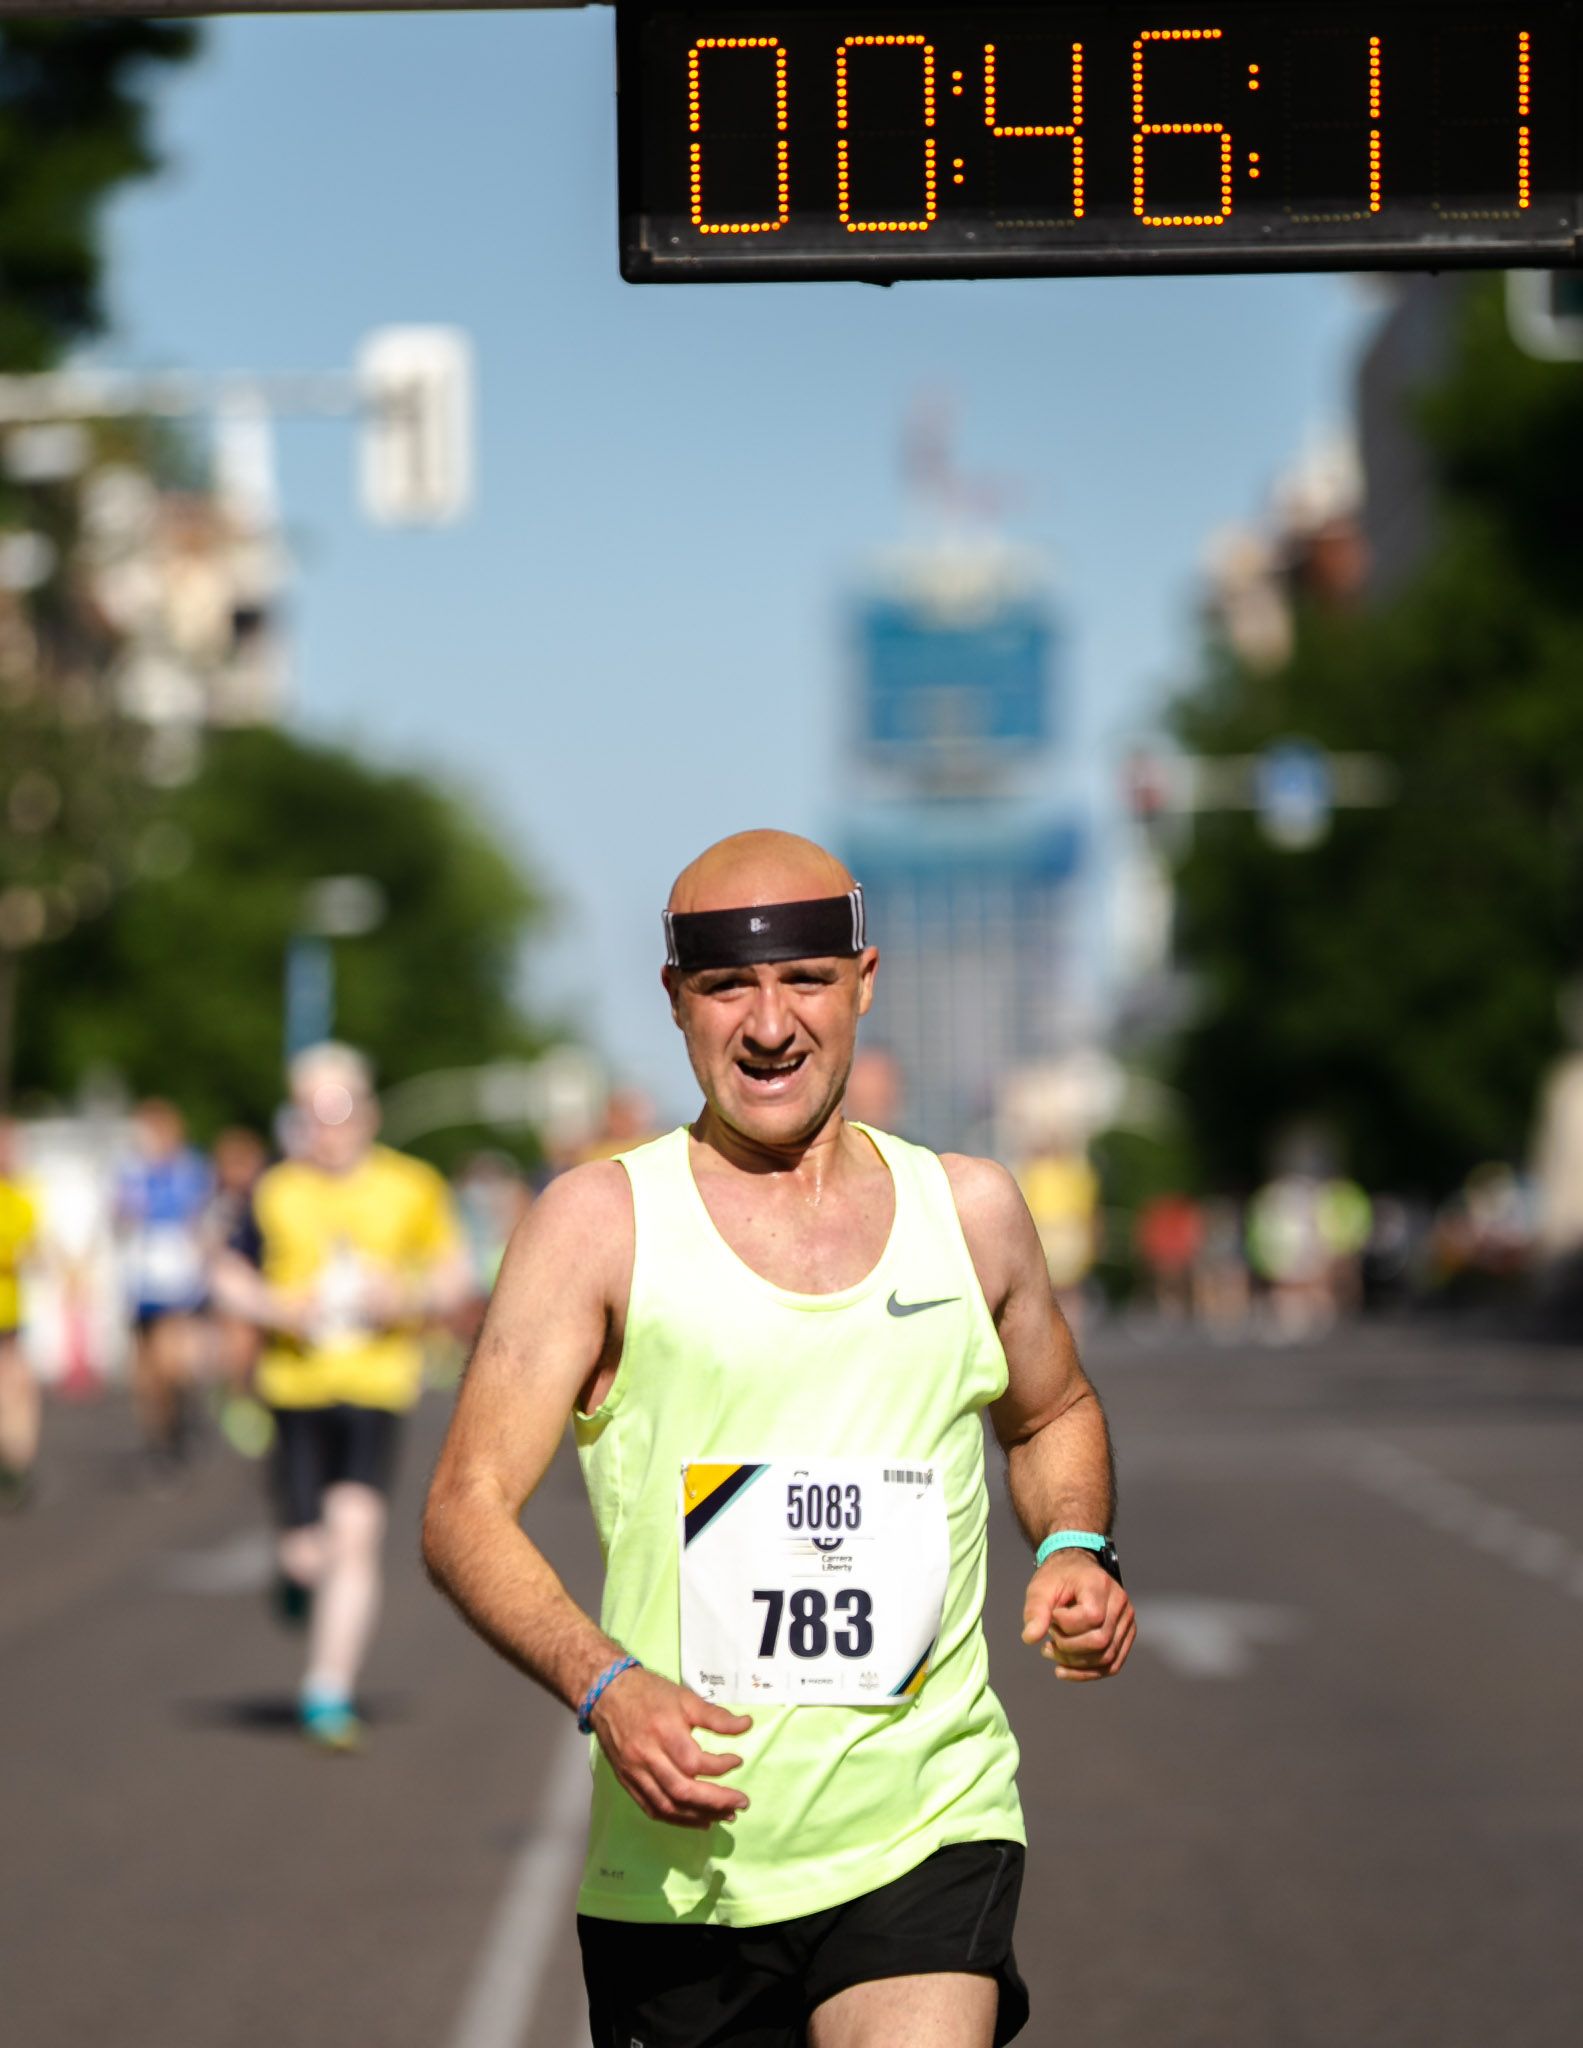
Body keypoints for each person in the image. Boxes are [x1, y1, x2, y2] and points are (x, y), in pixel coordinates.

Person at [424, 830, 1134, 2048]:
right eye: (725, 987)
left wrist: (1074, 1540)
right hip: (687, 1862)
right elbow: (464, 1504)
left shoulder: (966, 1211)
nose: (767, 1023)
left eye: (804, 979)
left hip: (929, 1820)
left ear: (863, 980)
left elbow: (1052, 1409)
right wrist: (603, 1681)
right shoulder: (599, 1223)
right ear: (673, 1001)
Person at [214, 1044, 471, 1750]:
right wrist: (273, 1307)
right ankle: (296, 1577)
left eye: (341, 1109)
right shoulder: (275, 1190)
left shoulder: (411, 1186)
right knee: (307, 1552)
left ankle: (327, 1690)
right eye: (313, 1113)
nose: (329, 1126)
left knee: (355, 1536)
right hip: (294, 1388)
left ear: (369, 1111)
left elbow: (454, 1275)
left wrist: (408, 1296)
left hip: (374, 1387)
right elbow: (227, 1274)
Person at [117, 1100, 213, 1473]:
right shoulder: (131, 1171)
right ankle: (158, 1436)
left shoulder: (190, 1169)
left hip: (177, 1281)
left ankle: (181, 1417)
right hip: (141, 1282)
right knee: (144, 1370)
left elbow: (200, 1219)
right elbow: (120, 1217)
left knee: (170, 1359)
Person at [0, 1120, 41, 1508]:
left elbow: (30, 1247)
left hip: (9, 1312)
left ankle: (17, 1464)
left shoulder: (22, 1194)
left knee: (16, 1388)